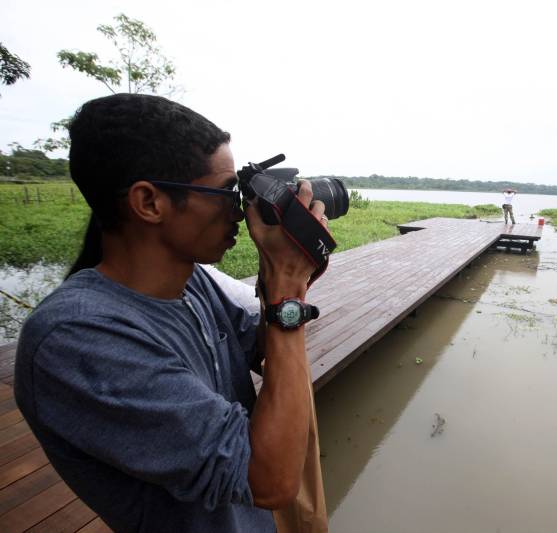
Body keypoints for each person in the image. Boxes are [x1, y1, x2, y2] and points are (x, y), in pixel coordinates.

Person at [14, 93, 327, 532]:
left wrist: (287, 274)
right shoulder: (77, 338)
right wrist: (286, 301)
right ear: (149, 203)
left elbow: (259, 350)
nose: (240, 211)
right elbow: (270, 481)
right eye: (225, 193)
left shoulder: (190, 282)